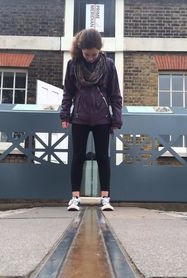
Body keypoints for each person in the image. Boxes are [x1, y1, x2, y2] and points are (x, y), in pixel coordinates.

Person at [60, 28, 122, 211]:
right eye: (87, 54)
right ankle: (74, 198)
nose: (90, 58)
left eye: (94, 54)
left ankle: (105, 198)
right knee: (78, 157)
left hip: (102, 119)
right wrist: (65, 115)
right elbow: (68, 93)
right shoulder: (73, 65)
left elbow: (115, 95)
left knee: (103, 157)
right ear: (81, 50)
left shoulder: (109, 65)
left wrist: (116, 119)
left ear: (100, 50)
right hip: (79, 118)